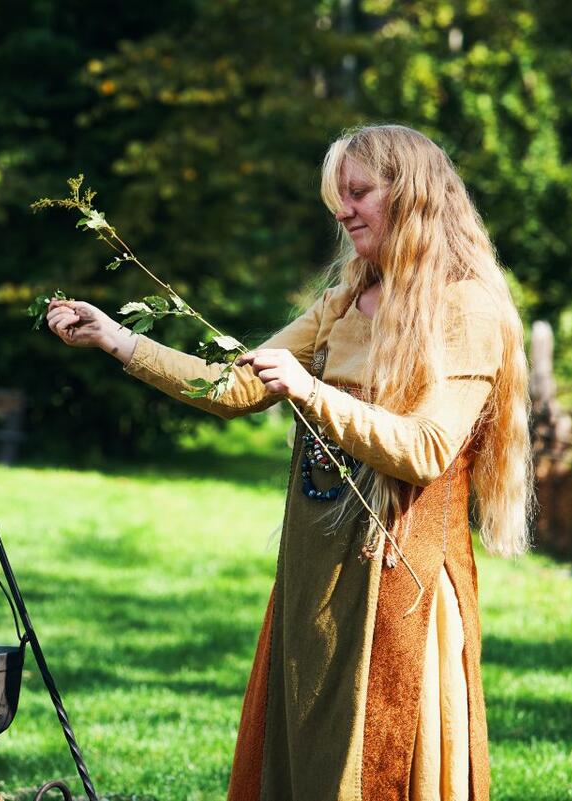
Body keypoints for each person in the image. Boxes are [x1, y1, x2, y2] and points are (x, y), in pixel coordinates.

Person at [44, 124, 532, 801]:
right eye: (339, 196)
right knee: (305, 756)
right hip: (315, 573)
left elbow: (425, 450)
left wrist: (311, 391)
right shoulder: (343, 302)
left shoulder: (467, 306)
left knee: (376, 764)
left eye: (359, 192)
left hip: (398, 585)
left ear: (413, 195)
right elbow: (234, 388)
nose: (343, 210)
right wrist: (117, 338)